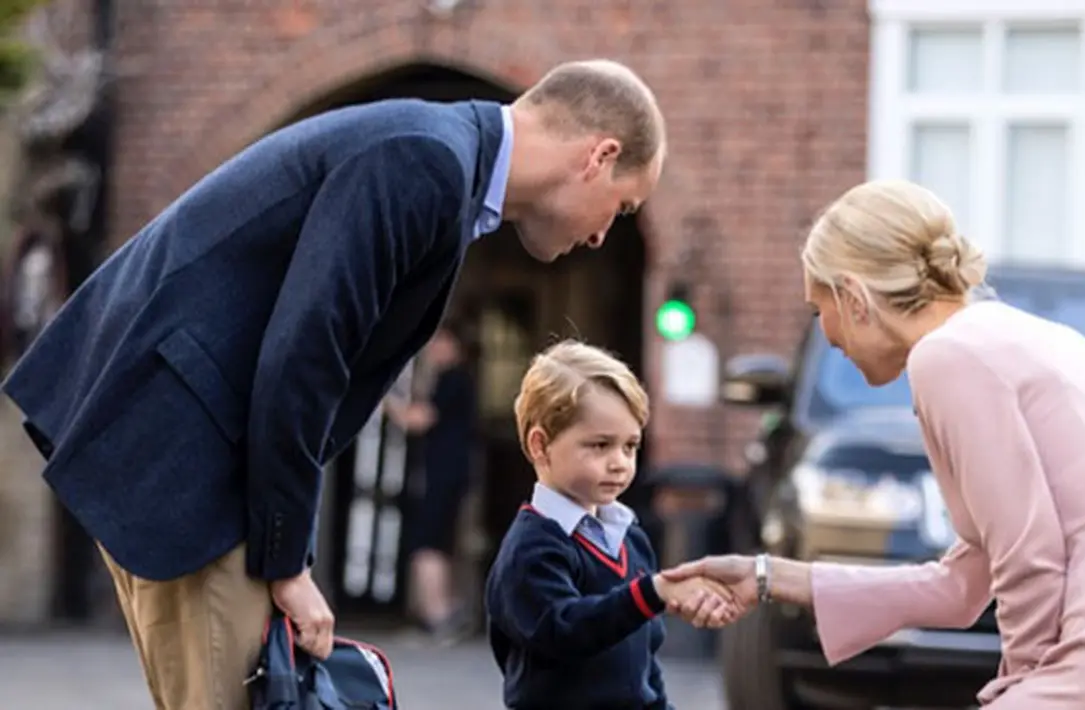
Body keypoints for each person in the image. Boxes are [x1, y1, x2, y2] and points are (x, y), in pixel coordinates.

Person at [0, 58, 666, 710]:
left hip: (184, 442)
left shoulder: (439, 155)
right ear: (598, 156)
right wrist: (287, 563)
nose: (606, 233)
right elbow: (304, 356)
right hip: (192, 454)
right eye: (623, 205)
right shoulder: (425, 161)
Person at [663, 179, 1085, 708]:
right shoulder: (1028, 339)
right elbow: (962, 585)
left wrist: (1017, 687)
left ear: (855, 297)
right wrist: (767, 576)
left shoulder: (949, 357)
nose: (830, 337)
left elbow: (1026, 555)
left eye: (821, 310)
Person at [485, 340, 738, 710]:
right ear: (540, 445)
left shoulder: (630, 538)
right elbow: (565, 632)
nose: (619, 462)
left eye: (630, 446)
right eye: (600, 445)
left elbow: (644, 662)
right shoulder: (530, 549)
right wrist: (651, 593)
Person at [384, 323, 478, 641]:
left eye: (438, 343)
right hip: (448, 474)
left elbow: (418, 420)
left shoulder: (453, 379)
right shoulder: (454, 379)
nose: (432, 350)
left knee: (426, 541)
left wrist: (383, 399)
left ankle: (437, 614)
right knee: (436, 541)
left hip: (441, 474)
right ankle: (440, 611)